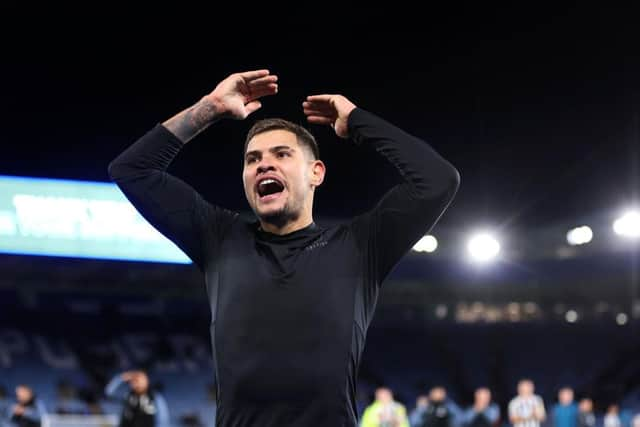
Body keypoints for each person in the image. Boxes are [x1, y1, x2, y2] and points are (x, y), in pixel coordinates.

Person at [108, 69, 460, 426]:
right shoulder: (219, 237)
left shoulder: (358, 247)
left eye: (282, 154)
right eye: (252, 159)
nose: (264, 164)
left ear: (316, 173)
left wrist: (357, 120)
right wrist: (210, 107)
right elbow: (131, 170)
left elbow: (437, 180)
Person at [104, 370, 169, 427]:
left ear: (146, 381)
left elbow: (163, 418)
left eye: (140, 380)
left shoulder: (154, 396)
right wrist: (121, 378)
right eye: (134, 380)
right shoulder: (128, 394)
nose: (137, 383)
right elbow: (109, 392)